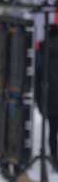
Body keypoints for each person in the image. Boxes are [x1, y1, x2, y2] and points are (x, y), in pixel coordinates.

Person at [35, 26, 58, 173]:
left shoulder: (41, 51)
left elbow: (37, 77)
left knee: (53, 130)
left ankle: (55, 159)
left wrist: (39, 100)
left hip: (49, 97)